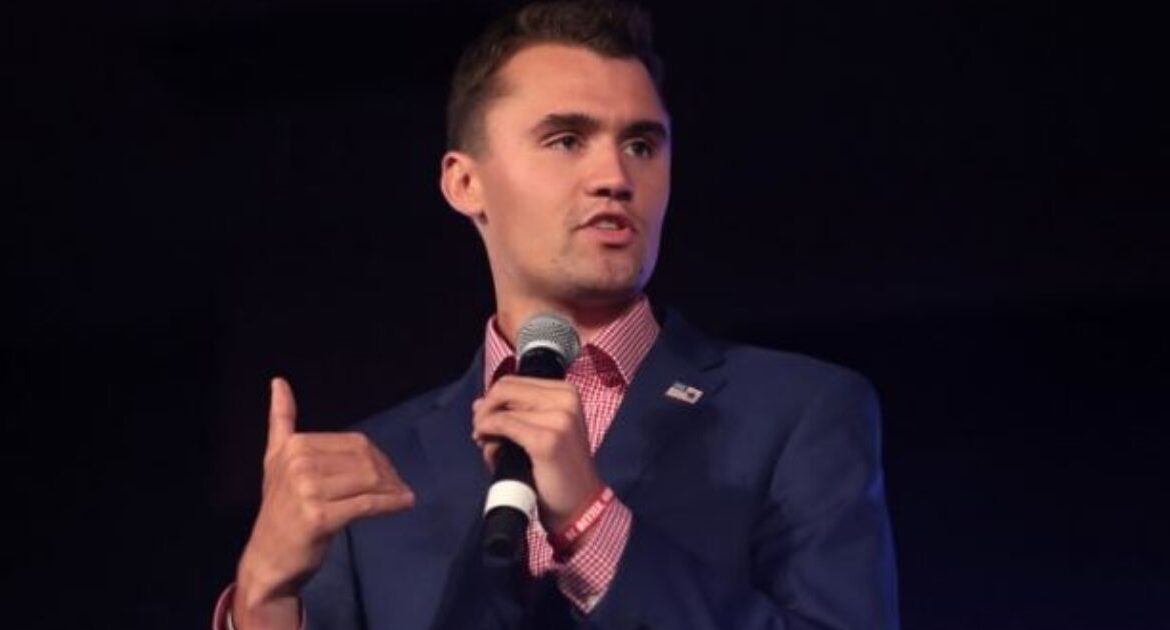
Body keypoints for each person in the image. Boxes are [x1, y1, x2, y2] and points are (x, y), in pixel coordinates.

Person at [213, 1, 899, 628]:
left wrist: (593, 523)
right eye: (567, 139)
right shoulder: (373, 468)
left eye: (642, 145)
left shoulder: (798, 412)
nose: (615, 178)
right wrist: (263, 597)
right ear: (464, 182)